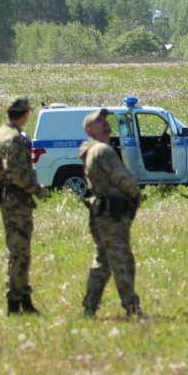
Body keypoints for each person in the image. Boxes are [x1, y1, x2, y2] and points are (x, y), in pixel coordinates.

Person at [79, 108, 144, 318]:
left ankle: (90, 307)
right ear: (90, 129)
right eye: (98, 120)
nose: (104, 122)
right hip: (112, 214)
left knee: (103, 262)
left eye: (105, 118)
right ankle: (131, 307)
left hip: (100, 213)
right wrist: (136, 195)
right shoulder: (102, 151)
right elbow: (123, 179)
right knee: (122, 260)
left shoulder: (91, 151)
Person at [0, 97, 46, 315]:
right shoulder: (14, 139)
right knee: (20, 253)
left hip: (8, 198)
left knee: (19, 251)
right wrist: (36, 188)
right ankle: (15, 303)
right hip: (17, 200)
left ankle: (23, 299)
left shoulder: (0, 133)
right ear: (24, 114)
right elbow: (17, 173)